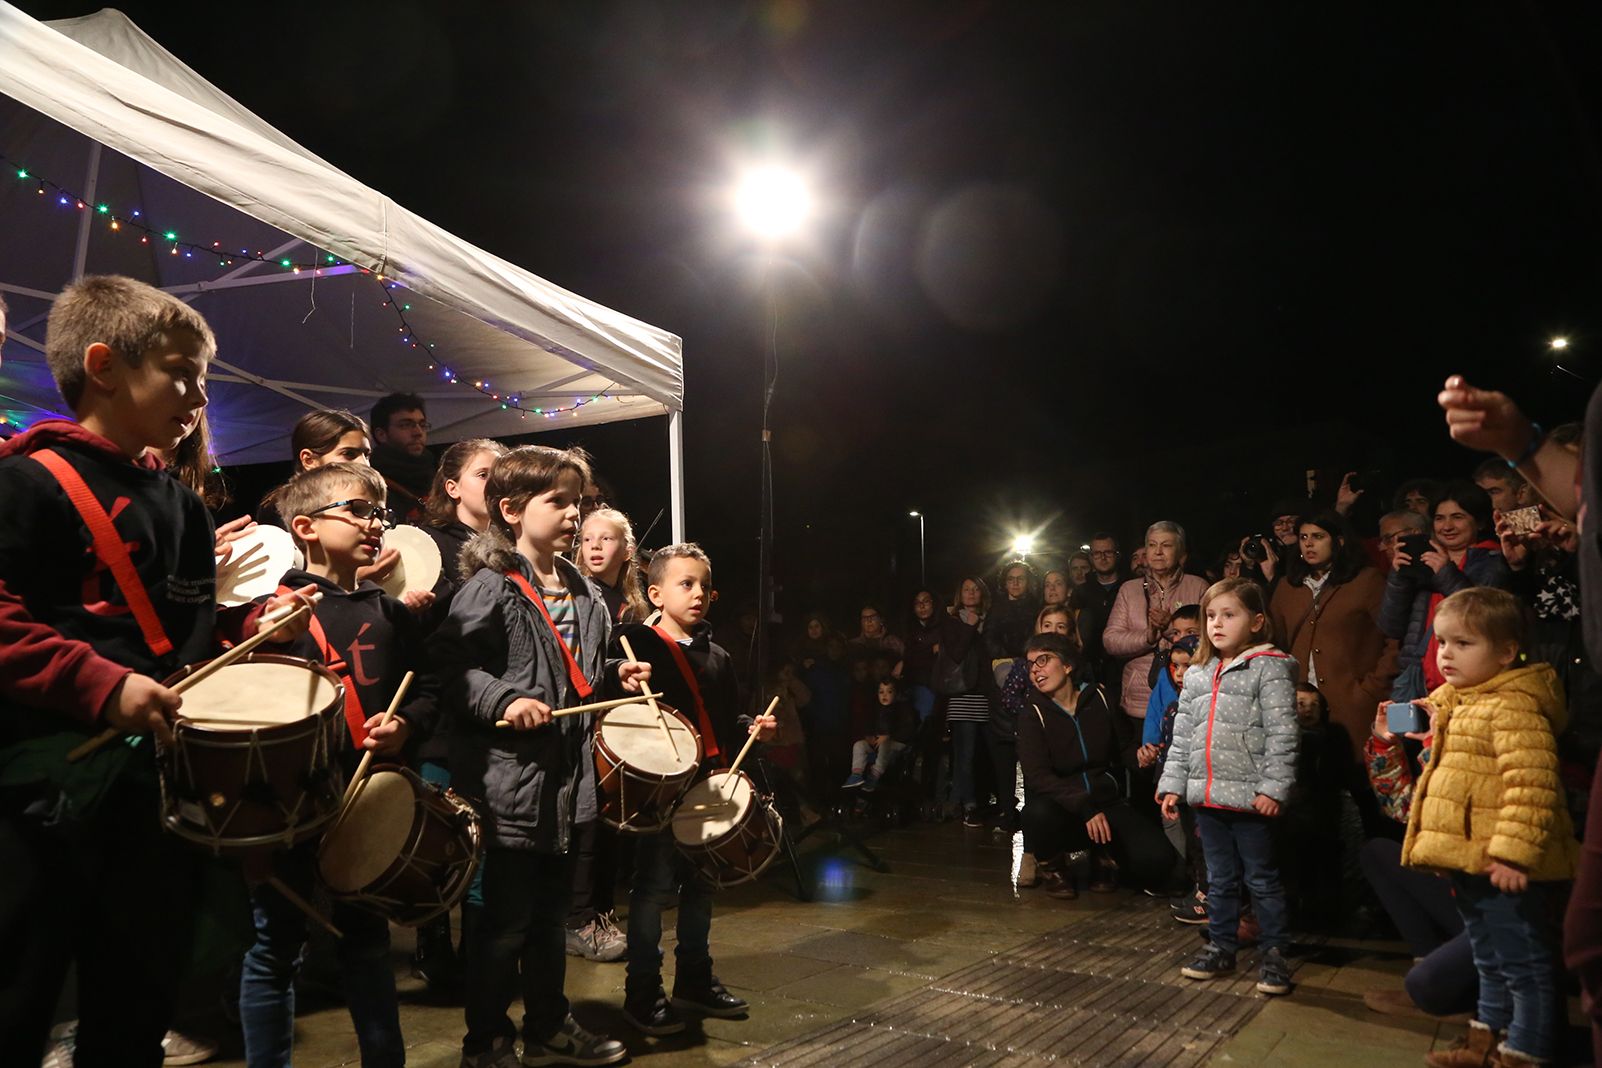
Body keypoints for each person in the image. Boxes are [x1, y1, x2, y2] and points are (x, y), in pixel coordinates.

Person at [0, 276, 308, 1067]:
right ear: (103, 366)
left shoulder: (182, 506)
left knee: (134, 1016)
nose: (199, 397)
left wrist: (250, 631)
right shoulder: (22, 483)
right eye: (180, 373)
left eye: (202, 379)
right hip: (40, 802)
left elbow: (182, 642)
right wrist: (100, 685)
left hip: (154, 806)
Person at [432, 444, 650, 1068]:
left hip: (566, 785)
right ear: (511, 509)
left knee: (551, 921)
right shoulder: (490, 588)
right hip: (509, 786)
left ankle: (548, 1026)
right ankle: (486, 1042)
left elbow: (579, 677)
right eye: (558, 502)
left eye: (578, 502)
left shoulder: (585, 592)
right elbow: (450, 668)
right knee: (501, 928)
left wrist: (613, 675)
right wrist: (503, 700)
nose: (574, 514)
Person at [242, 463, 439, 1068]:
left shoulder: (392, 613)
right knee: (276, 946)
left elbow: (429, 689)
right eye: (357, 510)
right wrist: (265, 636)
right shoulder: (274, 611)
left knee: (368, 939)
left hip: (364, 798)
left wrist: (406, 724)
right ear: (305, 527)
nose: (376, 523)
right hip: (291, 802)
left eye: (380, 513)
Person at [1402, 588, 1576, 1068]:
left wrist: (1513, 855)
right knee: (1488, 958)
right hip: (1473, 860)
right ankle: (1484, 1043)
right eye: (1441, 642)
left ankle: (1526, 1052)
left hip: (1504, 863)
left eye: (1463, 643)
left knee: (1523, 963)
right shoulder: (1457, 704)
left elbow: (1533, 786)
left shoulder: (1514, 707)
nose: (1446, 654)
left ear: (1505, 652)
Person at [612, 543, 776, 1036]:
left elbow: (726, 719)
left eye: (705, 585)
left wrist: (752, 728)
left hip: (706, 787)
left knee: (701, 888)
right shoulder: (636, 647)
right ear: (656, 593)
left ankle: (694, 980)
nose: (698, 593)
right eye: (686, 584)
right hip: (660, 793)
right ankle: (643, 991)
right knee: (653, 890)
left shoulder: (718, 655)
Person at [1157, 577, 1298, 997]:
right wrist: (1173, 784)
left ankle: (1274, 953)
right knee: (1218, 879)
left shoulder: (1269, 668)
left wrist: (1273, 788)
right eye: (1211, 616)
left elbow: (1283, 734)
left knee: (1261, 879)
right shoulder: (1199, 673)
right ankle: (1221, 946)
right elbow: (1183, 735)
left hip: (1251, 799)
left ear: (1256, 621)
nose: (1216, 624)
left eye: (1229, 615)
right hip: (1209, 797)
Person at [410, 438, 507, 991]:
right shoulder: (427, 546)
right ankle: (433, 948)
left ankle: (477, 954)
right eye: (482, 473)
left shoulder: (510, 547)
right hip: (441, 715)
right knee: (438, 837)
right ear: (452, 487)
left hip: (491, 713)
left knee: (484, 843)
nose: (494, 483)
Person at [1018, 634, 1173, 900]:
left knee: (1159, 863)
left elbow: (1123, 746)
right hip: (1065, 807)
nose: (1035, 670)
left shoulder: (1099, 697)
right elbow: (1037, 776)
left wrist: (1140, 757)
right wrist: (1084, 806)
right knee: (1037, 813)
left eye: (1042, 660)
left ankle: (1105, 856)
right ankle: (1053, 867)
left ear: (1067, 665)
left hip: (1104, 801)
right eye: (1030, 664)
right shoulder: (1032, 714)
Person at [1268, 509, 1398, 761]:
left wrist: (1370, 689)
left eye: (1318, 536)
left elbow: (1393, 640)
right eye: (1303, 537)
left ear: (1338, 541)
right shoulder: (1287, 586)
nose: (1309, 543)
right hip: (1300, 708)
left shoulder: (1366, 581)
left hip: (1352, 705)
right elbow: (1275, 643)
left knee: (1353, 775)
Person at [1380, 481, 1512, 703]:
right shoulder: (1422, 561)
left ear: (1479, 522)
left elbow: (1483, 619)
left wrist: (1445, 574)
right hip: (1418, 682)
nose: (1447, 526)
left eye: (1457, 517)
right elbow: (1391, 627)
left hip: (1473, 683)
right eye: (1439, 518)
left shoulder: (1495, 561)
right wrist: (1398, 578)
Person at [1103, 522, 1209, 727]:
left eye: (1166, 545)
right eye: (1152, 545)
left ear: (1180, 552)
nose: (1158, 552)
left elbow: (1208, 639)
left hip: (1187, 697)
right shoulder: (1129, 590)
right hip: (1139, 700)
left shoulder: (1198, 586)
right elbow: (1110, 640)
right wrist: (1147, 637)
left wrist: (1169, 628)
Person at [255, 408, 374, 528]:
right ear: (309, 460)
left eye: (367, 455)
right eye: (348, 454)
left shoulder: (370, 503)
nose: (364, 464)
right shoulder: (281, 510)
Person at [941, 577, 991, 827]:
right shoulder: (952, 621)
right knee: (965, 753)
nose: (971, 593)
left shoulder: (989, 619)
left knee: (980, 753)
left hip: (985, 692)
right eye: (966, 589)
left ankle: (956, 801)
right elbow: (957, 652)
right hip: (962, 694)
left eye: (975, 589)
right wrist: (970, 627)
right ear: (959, 594)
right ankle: (969, 804)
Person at [843, 678, 915, 801]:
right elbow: (870, 725)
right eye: (881, 692)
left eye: (889, 692)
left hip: (898, 744)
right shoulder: (876, 709)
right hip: (878, 745)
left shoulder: (902, 709)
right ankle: (856, 774)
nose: (884, 695)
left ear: (896, 693)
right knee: (859, 745)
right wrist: (869, 735)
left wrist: (889, 735)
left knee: (885, 745)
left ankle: (875, 775)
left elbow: (907, 729)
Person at [370, 392, 436, 523]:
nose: (418, 432)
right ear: (381, 434)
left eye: (422, 425)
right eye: (405, 425)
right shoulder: (371, 484)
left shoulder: (436, 475)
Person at [1075, 532, 1124, 704]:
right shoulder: (1081, 592)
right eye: (1097, 553)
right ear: (1091, 557)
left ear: (1117, 555)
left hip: (1122, 665)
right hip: (1091, 667)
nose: (1103, 558)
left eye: (1108, 552)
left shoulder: (1129, 586)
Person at [578, 507, 648, 627]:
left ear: (627, 552)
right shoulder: (579, 595)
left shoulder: (629, 605)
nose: (595, 545)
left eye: (606, 538)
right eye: (587, 539)